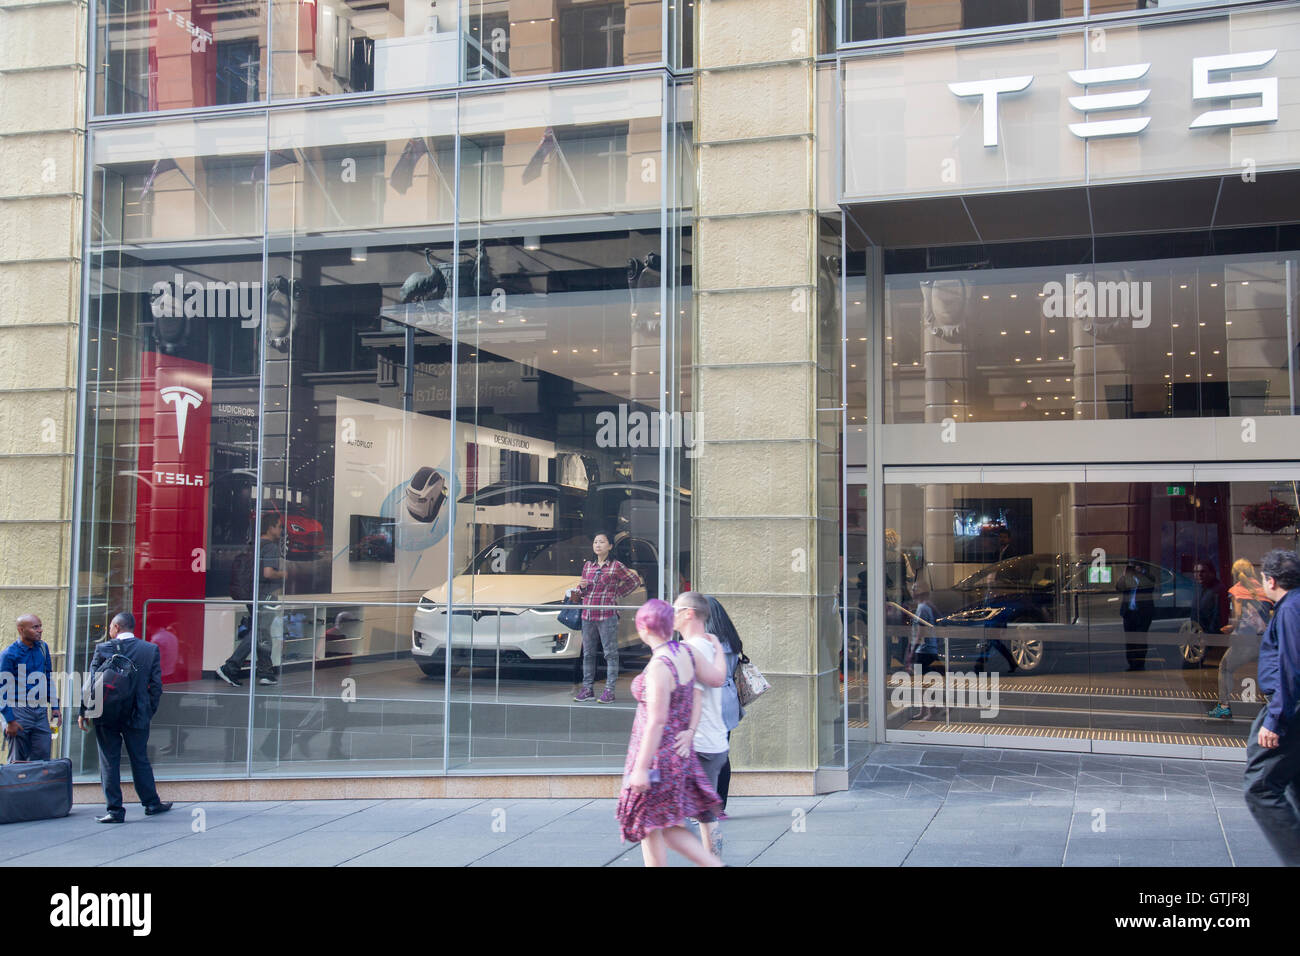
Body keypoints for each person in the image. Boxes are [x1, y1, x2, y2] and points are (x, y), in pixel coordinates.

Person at [615, 599, 722, 867]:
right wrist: (718, 648)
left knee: (651, 824)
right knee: (664, 827)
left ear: (644, 628)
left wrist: (641, 768)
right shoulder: (685, 653)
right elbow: (715, 680)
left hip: (656, 756)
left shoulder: (660, 665)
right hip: (675, 754)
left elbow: (656, 720)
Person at [77, 612, 172, 823]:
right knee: (140, 759)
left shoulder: (103, 648)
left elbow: (91, 682)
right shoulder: (149, 650)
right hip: (137, 714)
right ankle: (151, 804)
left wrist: (83, 712)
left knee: (108, 762)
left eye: (110, 627)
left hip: (105, 714)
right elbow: (156, 686)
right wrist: (148, 710)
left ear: (116, 627)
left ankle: (115, 811)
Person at [1243, 549, 1300, 865]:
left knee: (1261, 788)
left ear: (1271, 580)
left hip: (1289, 710)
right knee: (1293, 781)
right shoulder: (1291, 607)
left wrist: (1275, 720)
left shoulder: (1292, 610)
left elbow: (1292, 667)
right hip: (1291, 707)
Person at [671, 591, 729, 856]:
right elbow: (718, 678)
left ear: (689, 613)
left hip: (695, 744)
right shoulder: (708, 646)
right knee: (705, 815)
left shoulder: (690, 649)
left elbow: (694, 695)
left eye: (676, 609)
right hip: (715, 742)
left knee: (670, 814)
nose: (671, 614)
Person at [566, 531, 642, 704]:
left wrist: (617, 594)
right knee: (588, 653)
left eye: (601, 542)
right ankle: (587, 689)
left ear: (610, 546)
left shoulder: (616, 566)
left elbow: (634, 581)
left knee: (610, 653)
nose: (598, 545)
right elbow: (583, 592)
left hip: (607, 614)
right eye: (595, 542)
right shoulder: (588, 566)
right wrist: (582, 587)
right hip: (588, 613)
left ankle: (609, 690)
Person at [216, 512, 286, 687]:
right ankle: (230, 667)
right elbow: (268, 573)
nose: (280, 530)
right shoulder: (270, 547)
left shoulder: (254, 545)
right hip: (266, 595)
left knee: (262, 632)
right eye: (279, 526)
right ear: (270, 527)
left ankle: (265, 672)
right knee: (258, 633)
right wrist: (283, 573)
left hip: (251, 594)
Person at [1210, 559, 1273, 718]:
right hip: (1264, 641)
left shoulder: (1237, 591)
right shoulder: (1263, 591)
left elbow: (1237, 616)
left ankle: (1224, 706)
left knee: (1225, 667)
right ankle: (1271, 707)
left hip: (1245, 640)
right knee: (1265, 673)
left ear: (1235, 574)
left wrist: (1229, 628)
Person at [2, 614, 61, 762]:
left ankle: (38, 786)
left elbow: (47, 677)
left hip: (40, 712)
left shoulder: (42, 648)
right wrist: (9, 720)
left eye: (40, 626)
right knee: (17, 761)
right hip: (18, 712)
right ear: (21, 630)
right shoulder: (9, 655)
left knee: (42, 759)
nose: (40, 630)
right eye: (35, 627)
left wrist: (54, 706)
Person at [704, 596, 744, 812]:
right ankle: (719, 805)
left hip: (713, 700)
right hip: (728, 700)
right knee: (722, 755)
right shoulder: (731, 639)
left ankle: (710, 807)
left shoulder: (709, 644)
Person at [1116, 561, 1155, 671]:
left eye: (1135, 567)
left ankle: (1139, 663)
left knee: (1141, 639)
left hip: (1143, 614)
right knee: (1129, 640)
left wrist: (1140, 573)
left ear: (1141, 567)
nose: (1133, 569)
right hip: (1129, 613)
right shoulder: (1128, 579)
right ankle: (1131, 663)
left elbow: (1150, 585)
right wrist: (1124, 575)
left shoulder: (1148, 577)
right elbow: (1118, 587)